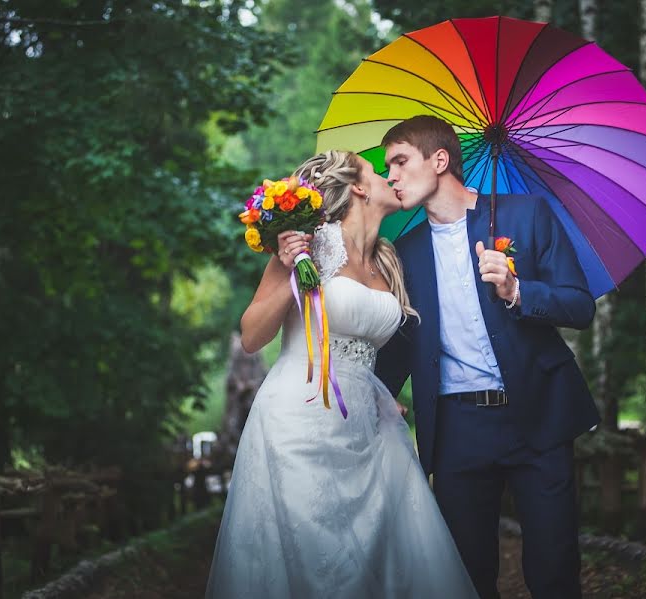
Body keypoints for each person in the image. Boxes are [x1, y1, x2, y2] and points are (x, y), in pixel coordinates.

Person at [205, 150, 478, 599]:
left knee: (381, 559)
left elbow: (380, 347)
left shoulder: (388, 260)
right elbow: (253, 335)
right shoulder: (308, 242)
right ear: (357, 187)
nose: (390, 176)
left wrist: (383, 391)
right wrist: (292, 271)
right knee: (317, 563)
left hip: (368, 426)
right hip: (298, 422)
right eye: (378, 170)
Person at [374, 115, 599, 599]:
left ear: (439, 160)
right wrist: (373, 396)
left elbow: (581, 307)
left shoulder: (527, 215)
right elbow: (399, 344)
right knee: (467, 576)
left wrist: (519, 289)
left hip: (538, 413)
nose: (390, 175)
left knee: (555, 566)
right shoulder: (402, 252)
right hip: (456, 429)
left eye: (399, 161)